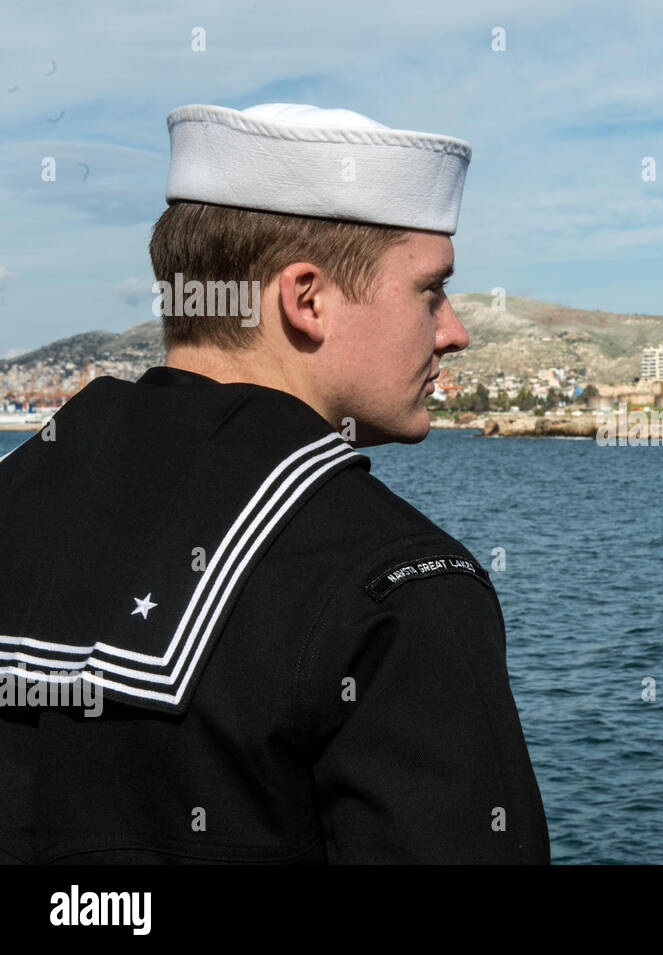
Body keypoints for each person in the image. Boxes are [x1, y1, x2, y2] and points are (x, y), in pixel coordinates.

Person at [0, 103, 549, 864]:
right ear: (307, 299)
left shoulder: (19, 495)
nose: (452, 329)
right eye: (431, 290)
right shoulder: (398, 582)